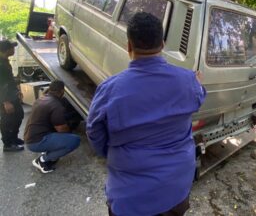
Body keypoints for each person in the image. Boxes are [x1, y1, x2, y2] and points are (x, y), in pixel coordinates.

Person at [87, 12, 206, 216]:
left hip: (130, 195)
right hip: (175, 188)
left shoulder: (110, 89)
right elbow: (199, 97)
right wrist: (194, 81)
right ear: (162, 43)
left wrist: (113, 153)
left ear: (129, 46)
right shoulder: (188, 81)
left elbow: (94, 132)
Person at [24, 80, 80, 173]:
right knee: (74, 140)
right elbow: (62, 129)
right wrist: (68, 133)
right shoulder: (56, 105)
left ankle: (49, 151)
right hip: (36, 142)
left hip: (30, 137)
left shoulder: (42, 98)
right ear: (62, 91)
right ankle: (42, 160)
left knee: (67, 122)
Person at [0, 39, 24, 152]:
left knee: (18, 116)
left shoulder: (5, 61)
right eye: (12, 47)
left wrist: (17, 91)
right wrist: (5, 101)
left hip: (11, 95)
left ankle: (13, 138)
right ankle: (8, 144)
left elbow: (8, 81)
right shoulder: (1, 64)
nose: (14, 49)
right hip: (5, 98)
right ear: (6, 50)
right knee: (8, 120)